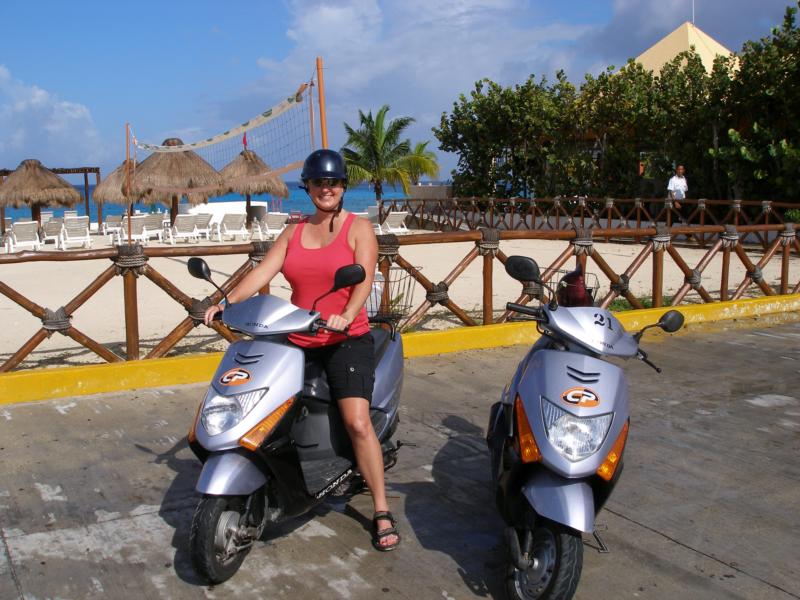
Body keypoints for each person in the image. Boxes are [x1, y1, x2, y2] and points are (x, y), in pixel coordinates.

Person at [203, 149, 400, 552]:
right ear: (307, 188)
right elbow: (263, 270)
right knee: (266, 406)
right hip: (296, 337)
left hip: (345, 339)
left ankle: (381, 509)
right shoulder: (293, 231)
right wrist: (228, 302)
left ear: (343, 187)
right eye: (318, 183)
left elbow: (362, 278)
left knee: (358, 421)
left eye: (333, 182)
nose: (326, 189)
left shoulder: (358, 228)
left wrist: (346, 314)